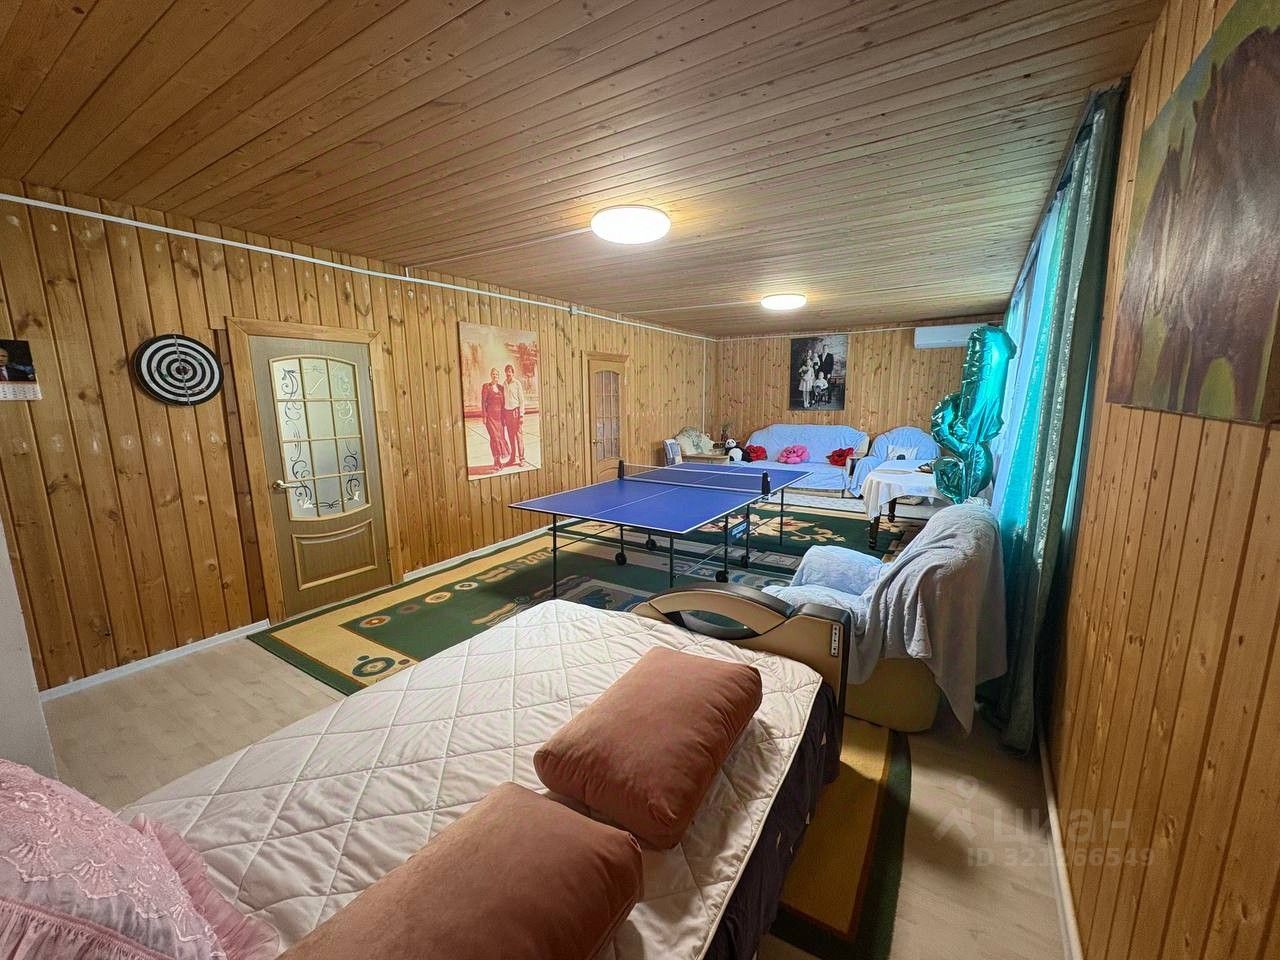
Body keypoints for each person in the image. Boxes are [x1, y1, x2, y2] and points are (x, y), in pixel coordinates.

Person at [479, 367, 507, 470]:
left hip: (499, 417)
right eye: (493, 374)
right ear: (491, 375)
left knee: (500, 438)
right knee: (494, 438)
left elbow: (504, 404)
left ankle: (499, 461)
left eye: (497, 374)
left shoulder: (501, 388)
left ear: (499, 376)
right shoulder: (486, 386)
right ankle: (496, 461)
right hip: (490, 417)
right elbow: (483, 402)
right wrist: (484, 416)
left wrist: (504, 418)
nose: (495, 376)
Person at [501, 364, 526, 468]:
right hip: (507, 413)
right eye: (507, 371)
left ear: (513, 373)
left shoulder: (517, 383)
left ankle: (522, 459)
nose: (508, 373)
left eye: (510, 372)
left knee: (518, 436)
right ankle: (512, 458)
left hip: (516, 412)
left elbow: (521, 400)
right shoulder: (504, 384)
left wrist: (521, 415)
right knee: (510, 436)